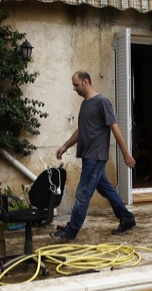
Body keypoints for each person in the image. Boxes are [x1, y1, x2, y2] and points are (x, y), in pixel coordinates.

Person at [52, 71, 137, 240]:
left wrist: (126, 154)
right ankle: (127, 218)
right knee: (105, 189)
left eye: (76, 84)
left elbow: (115, 128)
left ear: (85, 82)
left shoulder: (102, 102)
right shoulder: (85, 104)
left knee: (82, 195)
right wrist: (65, 146)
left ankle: (70, 232)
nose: (74, 88)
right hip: (88, 156)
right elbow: (81, 130)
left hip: (95, 156)